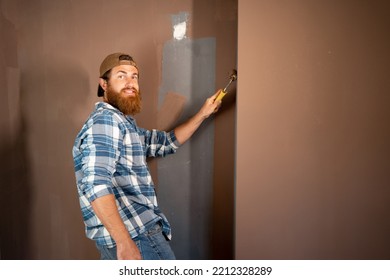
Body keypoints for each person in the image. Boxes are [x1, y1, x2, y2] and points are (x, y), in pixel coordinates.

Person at [72, 52, 222, 260]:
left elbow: (165, 143)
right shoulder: (106, 122)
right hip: (136, 236)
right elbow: (96, 184)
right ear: (103, 84)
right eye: (121, 76)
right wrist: (124, 242)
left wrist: (203, 114)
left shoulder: (122, 123)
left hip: (132, 236)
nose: (130, 82)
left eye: (134, 76)